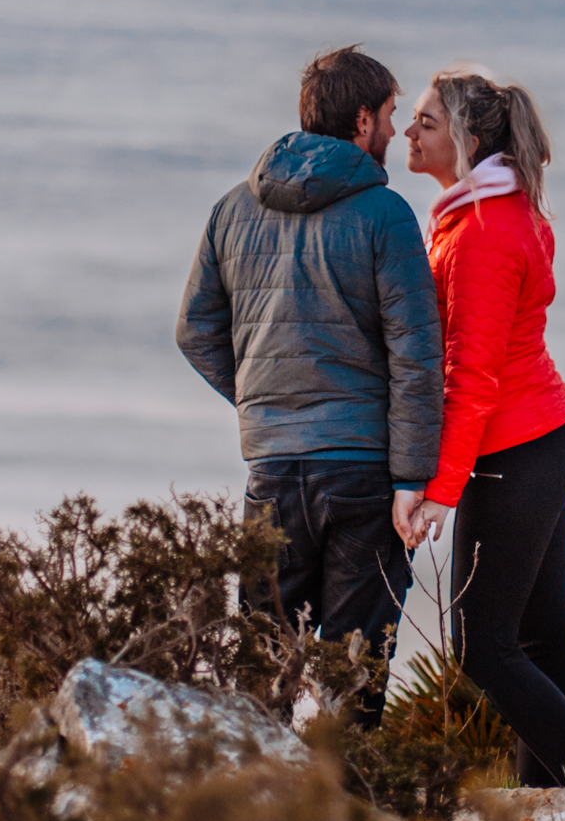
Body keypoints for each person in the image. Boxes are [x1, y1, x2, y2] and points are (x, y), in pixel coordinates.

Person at [177, 46, 442, 719]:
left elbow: (195, 331)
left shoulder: (230, 210)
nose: (392, 131)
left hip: (272, 470)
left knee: (262, 666)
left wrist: (267, 400)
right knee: (354, 673)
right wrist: (414, 479)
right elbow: (417, 356)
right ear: (360, 120)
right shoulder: (386, 216)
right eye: (387, 116)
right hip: (362, 475)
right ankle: (347, 814)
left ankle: (257, 814)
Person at [395, 66, 565, 786]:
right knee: (541, 640)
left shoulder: (482, 233)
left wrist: (439, 491)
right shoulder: (487, 214)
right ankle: (559, 801)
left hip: (517, 452)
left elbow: (472, 380)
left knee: (483, 649)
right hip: (545, 439)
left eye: (425, 122)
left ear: (468, 138)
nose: (407, 132)